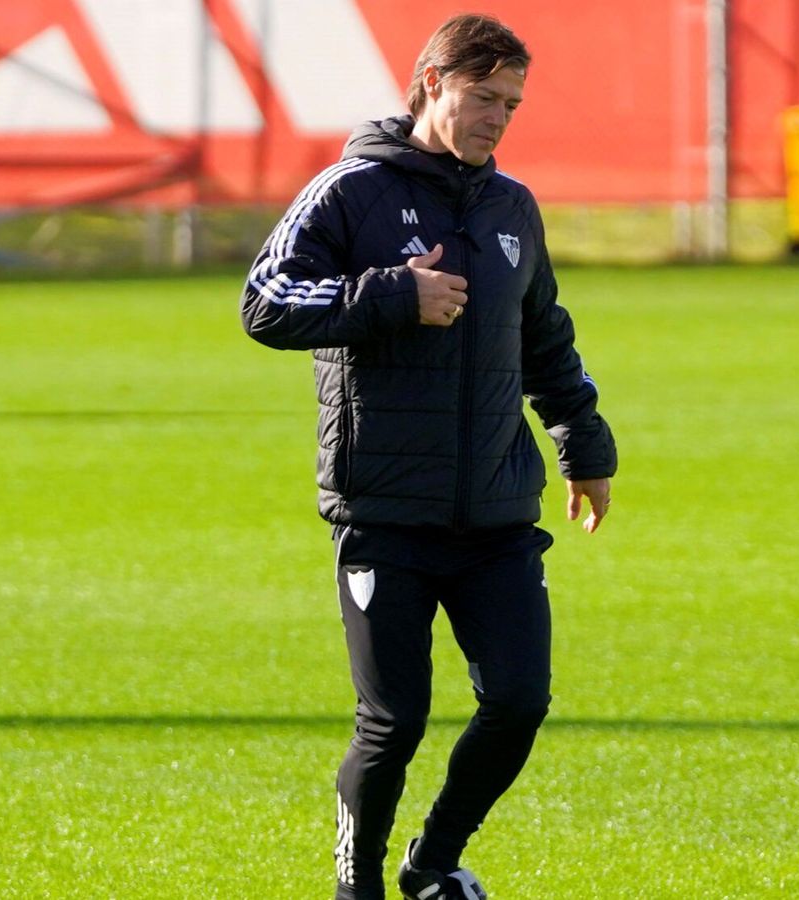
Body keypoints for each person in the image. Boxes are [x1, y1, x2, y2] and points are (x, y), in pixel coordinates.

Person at [239, 14, 616, 900]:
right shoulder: (350, 190)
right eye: (484, 97)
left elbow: (543, 335)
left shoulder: (511, 205)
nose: (498, 118)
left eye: (512, 103)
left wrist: (582, 440)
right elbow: (264, 302)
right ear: (432, 83)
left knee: (520, 702)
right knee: (394, 722)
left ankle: (432, 862)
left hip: (494, 512)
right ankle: (357, 884)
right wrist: (389, 295)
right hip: (384, 514)